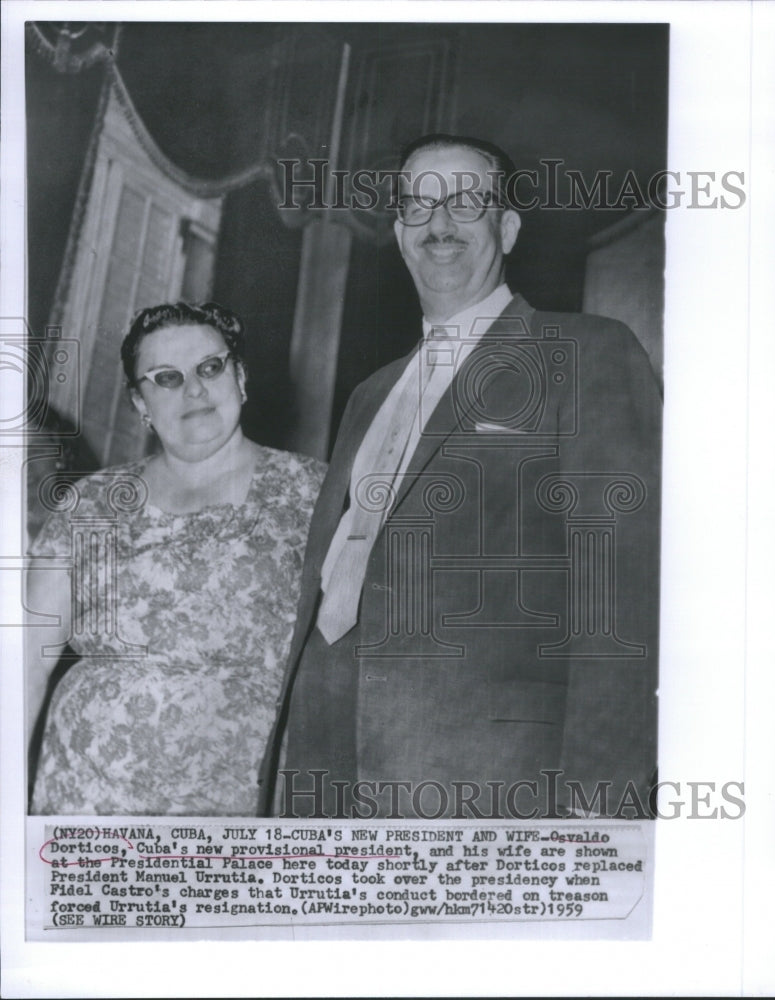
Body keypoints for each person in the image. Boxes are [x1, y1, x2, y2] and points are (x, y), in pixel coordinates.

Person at [260, 134, 662, 819]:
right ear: (397, 233)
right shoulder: (369, 393)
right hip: (324, 758)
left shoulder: (586, 352)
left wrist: (604, 793)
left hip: (486, 776)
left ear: (506, 228)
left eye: (465, 202)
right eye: (418, 205)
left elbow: (625, 582)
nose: (439, 223)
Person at [26, 301, 324, 815]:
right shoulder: (91, 503)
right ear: (139, 403)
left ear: (241, 377)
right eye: (166, 378)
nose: (194, 390)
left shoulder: (313, 493)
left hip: (228, 812)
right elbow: (25, 662)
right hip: (81, 799)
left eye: (211, 368)